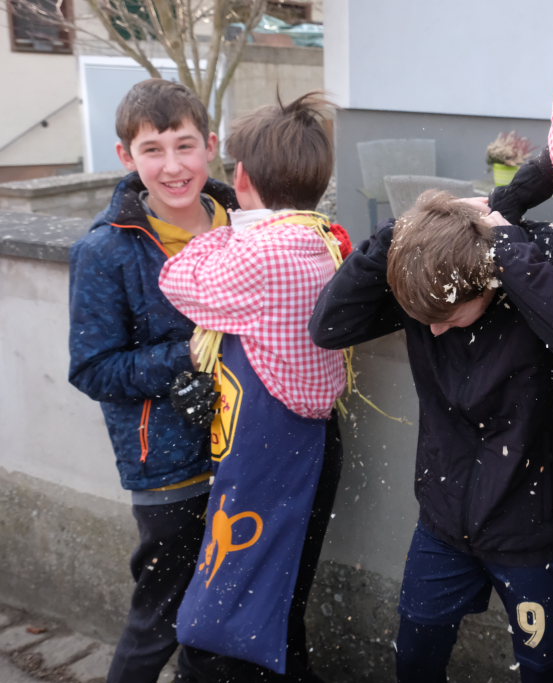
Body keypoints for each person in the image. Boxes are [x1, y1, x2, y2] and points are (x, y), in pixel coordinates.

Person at [309, 189, 553, 682]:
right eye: (424, 323)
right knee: (414, 656)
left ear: (490, 283)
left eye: (450, 319)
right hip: (444, 518)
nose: (435, 332)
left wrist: (512, 253)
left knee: (546, 667)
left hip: (533, 527)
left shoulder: (545, 260)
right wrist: (406, 231)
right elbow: (329, 326)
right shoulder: (430, 277)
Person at [158, 92, 350, 682]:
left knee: (226, 614)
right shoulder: (322, 238)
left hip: (265, 453)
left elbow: (178, 278)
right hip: (311, 443)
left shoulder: (259, 254)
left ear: (240, 178)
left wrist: (221, 227)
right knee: (279, 598)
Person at [67, 78, 237, 683]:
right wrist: (183, 358)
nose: (173, 166)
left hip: (245, 449)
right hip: (166, 464)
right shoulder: (104, 251)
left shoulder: (243, 223)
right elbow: (91, 368)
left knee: (223, 617)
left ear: (210, 146)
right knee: (160, 617)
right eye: (153, 150)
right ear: (126, 156)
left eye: (185, 146)